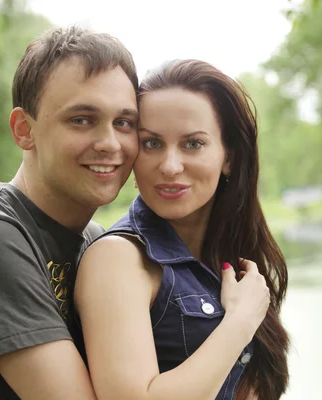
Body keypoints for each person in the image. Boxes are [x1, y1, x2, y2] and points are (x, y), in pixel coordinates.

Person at [0, 26, 139, 399]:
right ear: (24, 129)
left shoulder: (96, 243)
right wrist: (239, 323)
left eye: (124, 123)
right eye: (81, 119)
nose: (110, 143)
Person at [76, 59, 291, 400]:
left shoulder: (234, 256)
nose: (170, 166)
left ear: (229, 157)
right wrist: (240, 322)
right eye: (152, 143)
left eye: (193, 144)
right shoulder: (118, 257)